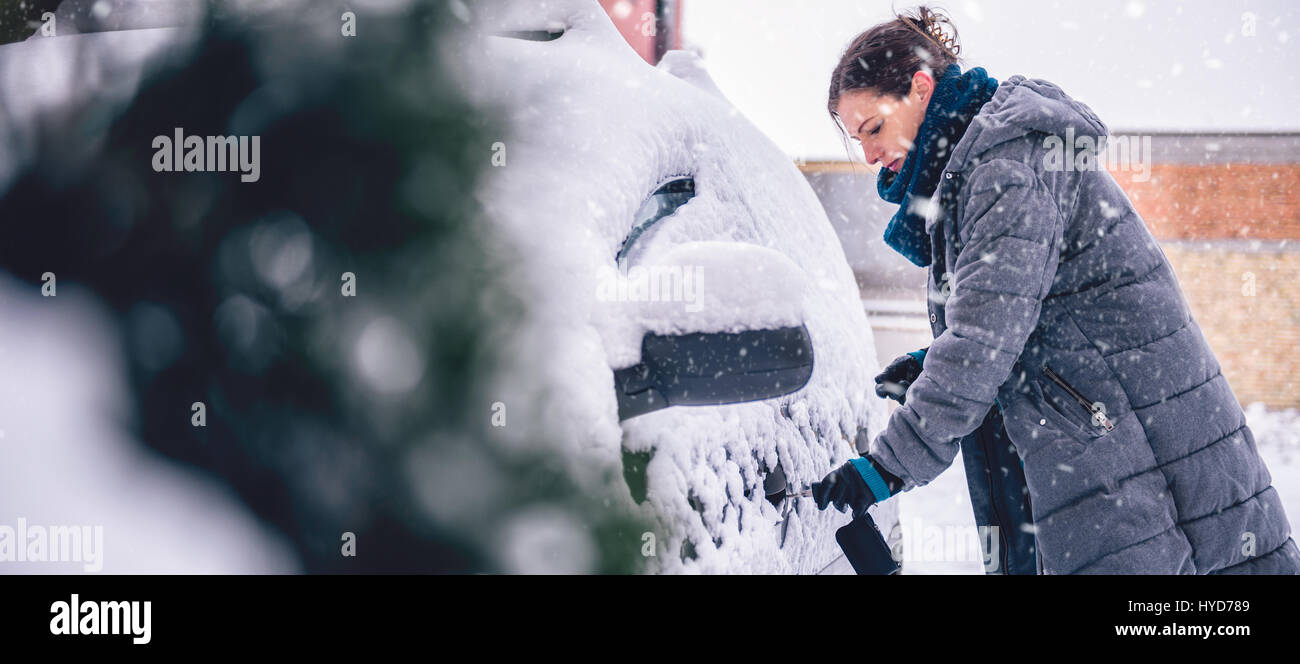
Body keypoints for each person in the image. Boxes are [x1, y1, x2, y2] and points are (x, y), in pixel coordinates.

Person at [810, 5, 1300, 574]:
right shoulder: (984, 163)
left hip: (1139, 453)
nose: (868, 156)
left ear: (921, 88)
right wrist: (932, 364)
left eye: (872, 128)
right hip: (1115, 445)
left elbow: (982, 341)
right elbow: (1016, 315)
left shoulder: (1004, 167)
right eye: (856, 140)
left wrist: (887, 465)